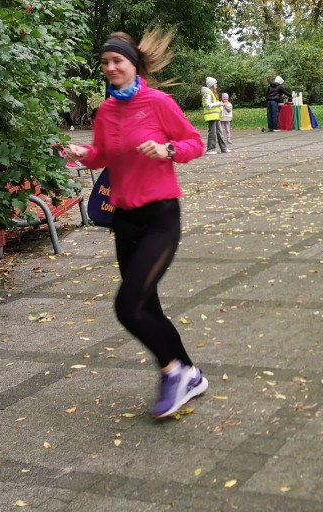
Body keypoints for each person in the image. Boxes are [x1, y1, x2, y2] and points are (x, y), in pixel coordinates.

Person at [65, 30, 208, 419]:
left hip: (160, 218)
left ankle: (172, 372)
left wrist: (168, 149)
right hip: (124, 219)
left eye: (117, 62)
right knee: (147, 306)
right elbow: (102, 156)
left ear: (132, 65)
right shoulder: (106, 111)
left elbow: (195, 142)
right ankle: (190, 374)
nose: (110, 68)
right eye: (105, 63)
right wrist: (83, 154)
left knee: (128, 307)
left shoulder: (158, 103)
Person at [201, 77, 228, 153]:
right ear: (212, 85)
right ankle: (210, 149)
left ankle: (224, 148)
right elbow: (207, 105)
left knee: (220, 132)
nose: (216, 85)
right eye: (215, 83)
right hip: (211, 116)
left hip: (216, 116)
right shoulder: (208, 93)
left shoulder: (212, 93)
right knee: (212, 133)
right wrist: (219, 103)